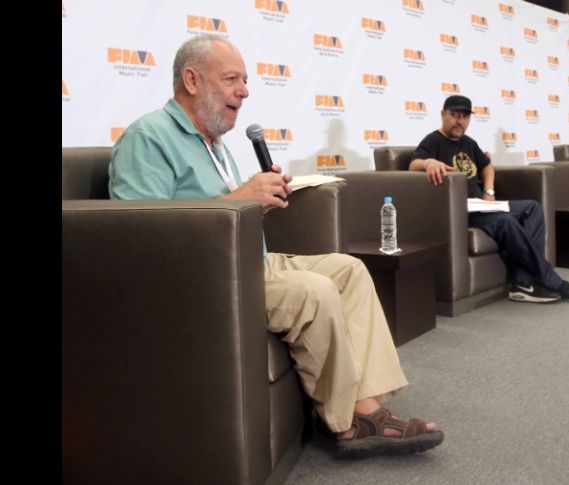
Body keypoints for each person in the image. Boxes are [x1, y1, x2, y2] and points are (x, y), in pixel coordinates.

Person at [108, 35, 443, 459]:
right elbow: (139, 237)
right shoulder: (148, 137)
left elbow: (218, 216)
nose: (245, 91)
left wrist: (259, 200)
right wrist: (244, 198)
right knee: (314, 290)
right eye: (231, 79)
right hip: (205, 281)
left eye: (245, 81)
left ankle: (366, 402)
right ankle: (348, 423)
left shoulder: (213, 143)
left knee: (348, 270)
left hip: (250, 260)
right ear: (191, 80)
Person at [410, 95, 569, 303]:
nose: (459, 121)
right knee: (505, 220)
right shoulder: (433, 140)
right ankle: (551, 280)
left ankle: (522, 281)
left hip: (481, 205)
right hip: (459, 211)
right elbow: (414, 164)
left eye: (465, 116)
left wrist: (489, 191)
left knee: (533, 208)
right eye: (454, 115)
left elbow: (487, 166)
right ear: (443, 115)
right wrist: (428, 162)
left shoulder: (468, 143)